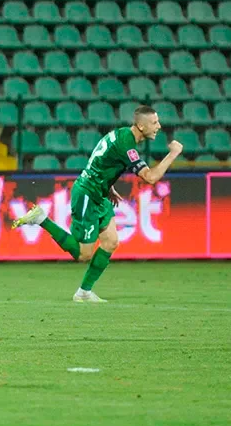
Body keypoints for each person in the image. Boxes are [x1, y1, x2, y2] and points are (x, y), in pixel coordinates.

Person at [11, 105, 184, 302]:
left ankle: (84, 292)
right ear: (141, 126)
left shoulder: (120, 134)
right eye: (154, 122)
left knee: (111, 242)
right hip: (87, 194)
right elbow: (150, 177)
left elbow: (102, 158)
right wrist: (173, 154)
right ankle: (41, 219)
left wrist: (107, 186)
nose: (158, 126)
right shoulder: (127, 145)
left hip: (100, 193)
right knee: (83, 255)